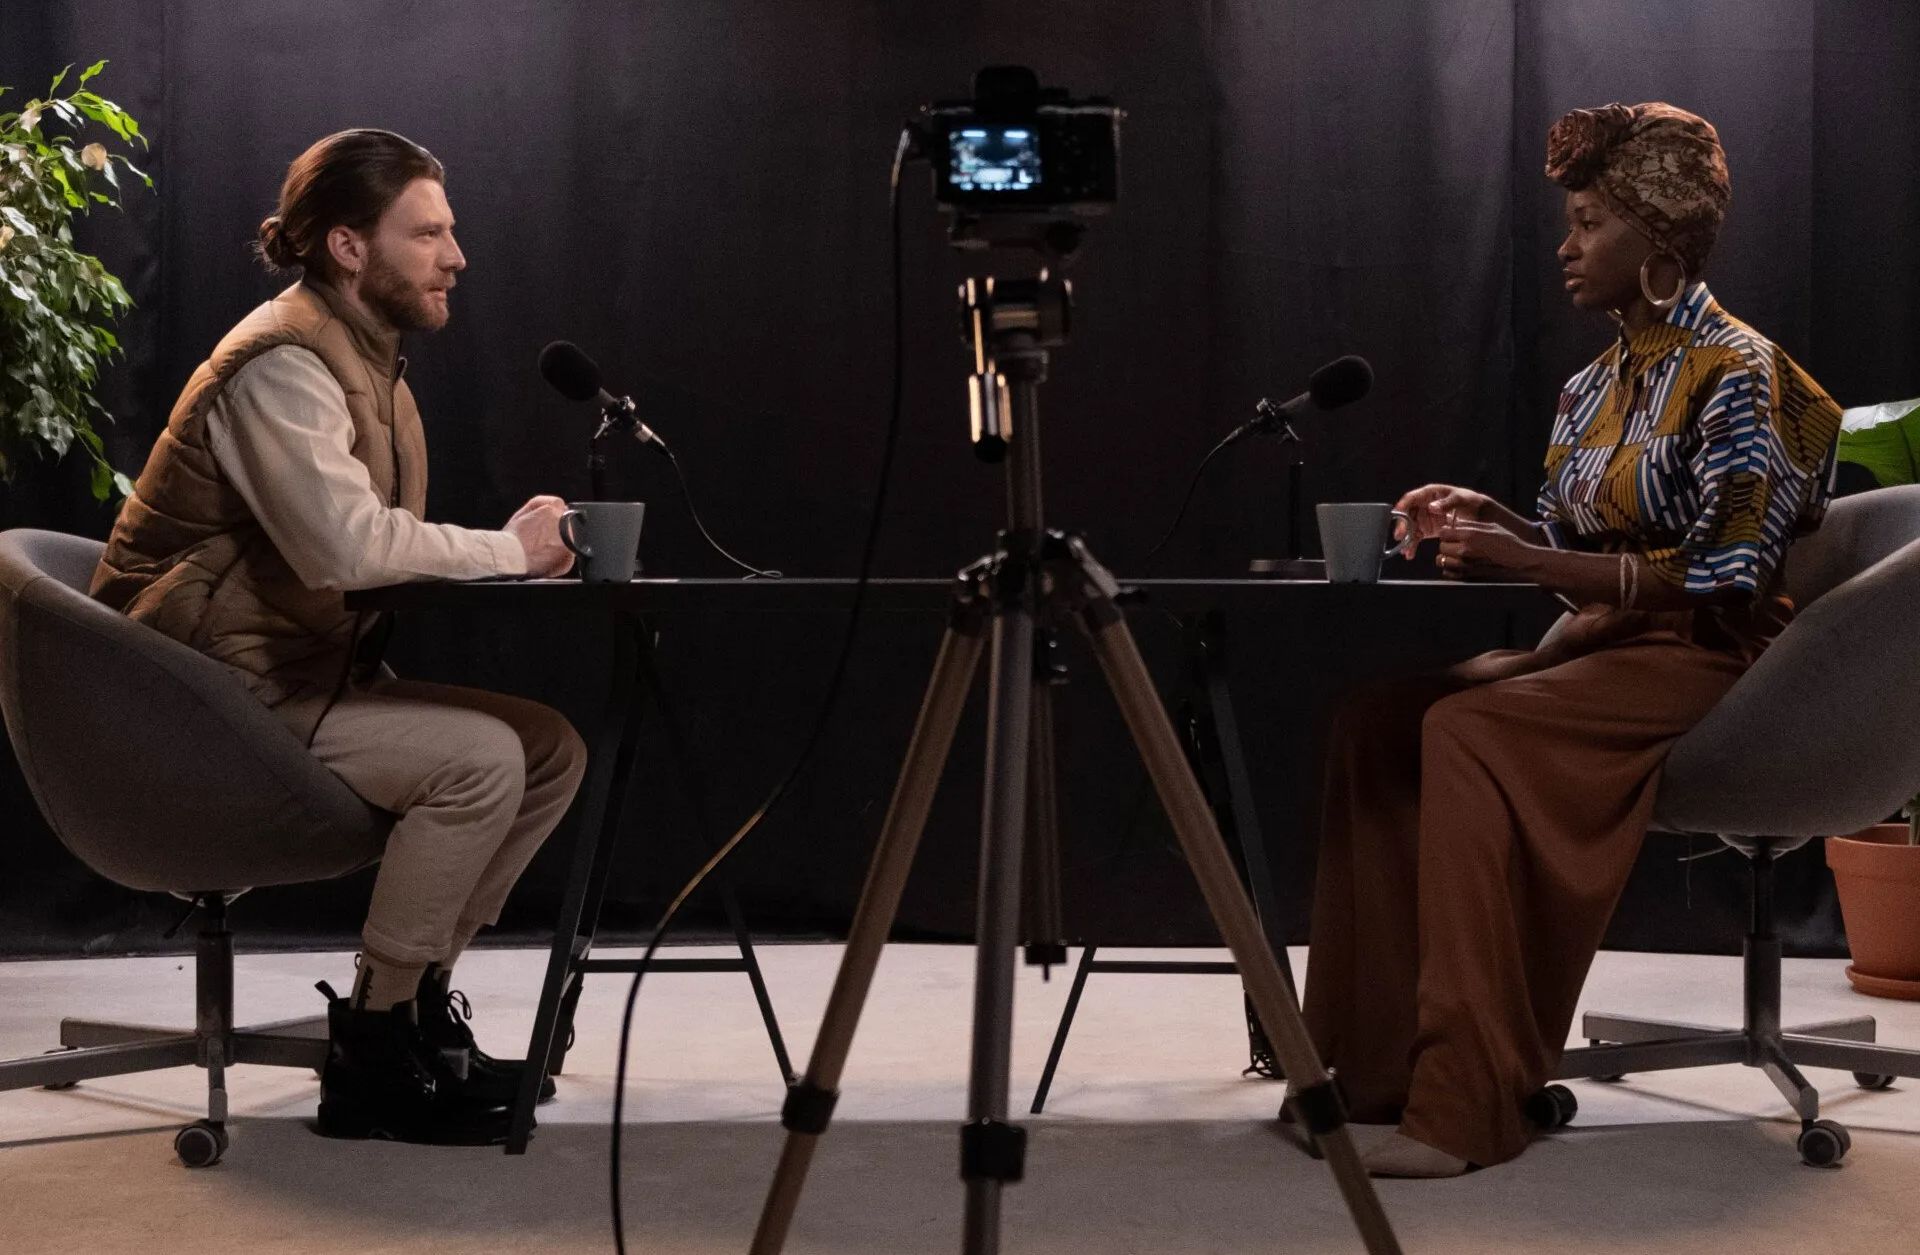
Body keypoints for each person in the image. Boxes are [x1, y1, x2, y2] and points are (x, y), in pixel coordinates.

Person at [1300, 102, 1842, 1177]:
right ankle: (1368, 1074)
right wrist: (1496, 522)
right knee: (1379, 721)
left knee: (1468, 728)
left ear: (1662, 236)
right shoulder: (1590, 385)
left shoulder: (1745, 374)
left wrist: (1533, 566)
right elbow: (1580, 534)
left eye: (1591, 220)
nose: (1567, 243)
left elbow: (1726, 571)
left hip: (1717, 661)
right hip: (1602, 645)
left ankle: (1463, 1109)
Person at [90, 129, 588, 1146]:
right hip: (201, 697)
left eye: (451, 232)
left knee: (548, 749)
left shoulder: (375, 369)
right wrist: (509, 551)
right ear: (347, 246)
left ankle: (412, 1011)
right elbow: (346, 551)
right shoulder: (281, 363)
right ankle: (369, 1051)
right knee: (482, 763)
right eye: (429, 233)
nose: (456, 257)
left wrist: (516, 555)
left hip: (288, 676)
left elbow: (365, 560)